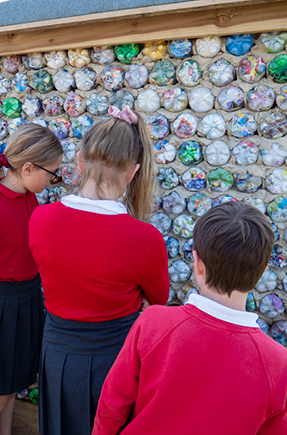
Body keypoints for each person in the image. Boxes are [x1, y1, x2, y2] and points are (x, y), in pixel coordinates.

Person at [29, 106, 169, 435]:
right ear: (133, 171)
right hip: (117, 359)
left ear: (79, 161)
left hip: (58, 353)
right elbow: (157, 302)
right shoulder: (146, 239)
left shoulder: (40, 219)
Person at [92, 201, 287, 435]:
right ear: (264, 269)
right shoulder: (279, 365)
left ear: (197, 263)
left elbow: (112, 403)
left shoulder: (153, 322)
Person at [0, 123, 63, 435]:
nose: (53, 180)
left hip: (26, 297)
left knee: (10, 387)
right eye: (51, 172)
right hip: (3, 302)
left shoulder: (29, 198)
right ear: (27, 167)